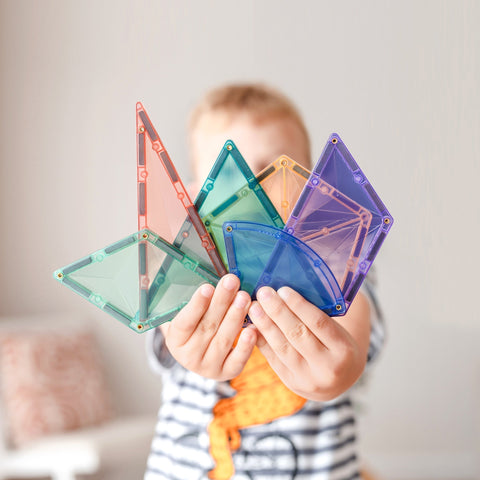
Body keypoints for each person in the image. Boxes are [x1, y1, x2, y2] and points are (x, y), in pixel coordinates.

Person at [144, 84, 384, 480]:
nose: (252, 189)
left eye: (274, 169)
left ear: (312, 190)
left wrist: (345, 361)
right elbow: (169, 316)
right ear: (190, 197)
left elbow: (355, 317)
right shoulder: (181, 264)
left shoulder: (338, 262)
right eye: (228, 172)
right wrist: (182, 337)